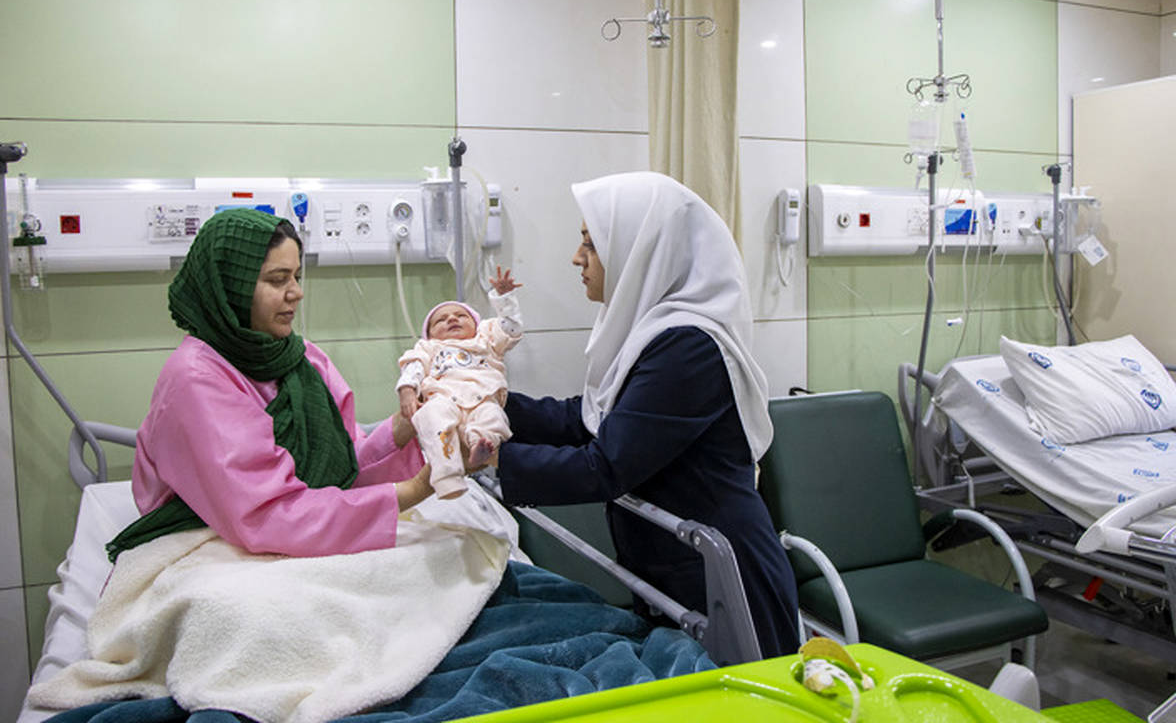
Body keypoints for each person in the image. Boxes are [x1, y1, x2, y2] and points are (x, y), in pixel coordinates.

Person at [493, 171, 801, 659]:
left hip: (719, 576)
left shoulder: (689, 347)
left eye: (591, 244)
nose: (577, 258)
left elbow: (606, 465)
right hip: (671, 567)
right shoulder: (649, 332)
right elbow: (588, 419)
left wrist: (490, 461)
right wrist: (491, 403)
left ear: (640, 252)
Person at [106, 208, 434, 561]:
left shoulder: (304, 359)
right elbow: (266, 513)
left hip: (302, 526)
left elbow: (344, 470)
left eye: (296, 277)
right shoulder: (195, 379)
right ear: (231, 287)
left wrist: (408, 425)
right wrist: (415, 490)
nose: (296, 293)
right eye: (278, 280)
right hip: (211, 539)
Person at [396, 268, 523, 500]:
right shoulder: (429, 348)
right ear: (430, 335)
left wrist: (504, 298)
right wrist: (407, 390)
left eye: (461, 316)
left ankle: (481, 446)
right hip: (444, 399)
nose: (452, 319)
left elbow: (511, 328)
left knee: (494, 417)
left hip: (483, 399)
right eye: (441, 320)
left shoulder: (485, 340)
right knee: (430, 417)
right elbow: (413, 366)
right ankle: (447, 478)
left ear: (476, 324)